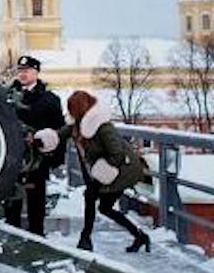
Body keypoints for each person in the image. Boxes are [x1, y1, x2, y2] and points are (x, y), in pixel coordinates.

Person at [34, 90, 149, 253]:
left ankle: (86, 238)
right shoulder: (78, 126)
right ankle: (139, 236)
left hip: (122, 170)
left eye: (72, 109)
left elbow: (117, 153)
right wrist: (44, 140)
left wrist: (101, 173)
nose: (70, 113)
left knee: (92, 197)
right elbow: (60, 134)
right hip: (108, 170)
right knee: (104, 207)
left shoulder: (103, 127)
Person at [3, 55, 65, 237]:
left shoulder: (49, 99)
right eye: (20, 70)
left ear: (36, 72)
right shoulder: (6, 96)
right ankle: (11, 237)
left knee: (36, 202)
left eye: (27, 70)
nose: (23, 74)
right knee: (11, 201)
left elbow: (58, 130)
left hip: (37, 158)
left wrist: (54, 157)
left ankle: (37, 237)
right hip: (11, 157)